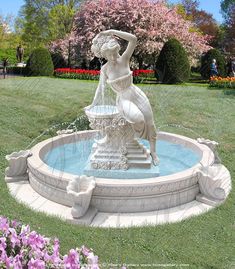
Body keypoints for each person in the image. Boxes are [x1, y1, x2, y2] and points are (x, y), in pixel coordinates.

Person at [89, 29, 159, 165]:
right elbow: (100, 88)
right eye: (109, 56)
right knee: (137, 118)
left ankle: (153, 152)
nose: (113, 57)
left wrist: (111, 31)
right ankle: (132, 137)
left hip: (136, 93)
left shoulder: (124, 59)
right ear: (105, 56)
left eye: (114, 53)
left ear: (117, 50)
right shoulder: (105, 69)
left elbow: (133, 39)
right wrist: (93, 104)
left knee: (150, 123)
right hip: (123, 98)